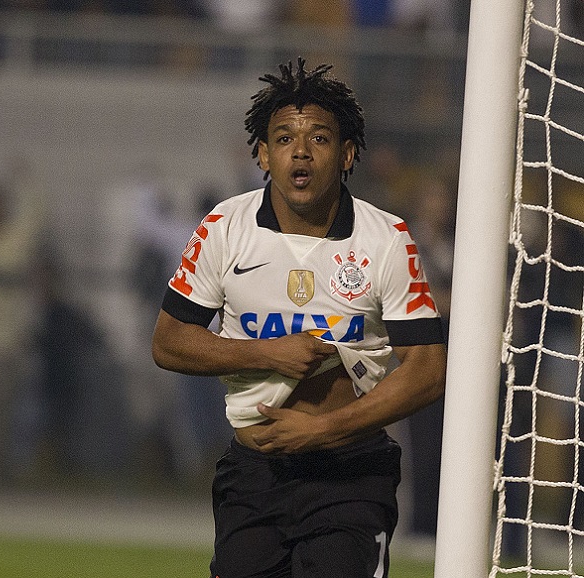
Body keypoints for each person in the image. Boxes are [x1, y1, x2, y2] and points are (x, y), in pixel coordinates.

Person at [151, 59, 447, 577]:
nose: (301, 151)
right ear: (264, 154)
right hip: (253, 476)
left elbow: (427, 367)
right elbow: (169, 341)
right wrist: (267, 351)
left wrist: (324, 429)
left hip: (350, 478)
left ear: (348, 153)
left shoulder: (386, 238)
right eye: (284, 138)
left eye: (320, 138)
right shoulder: (225, 227)